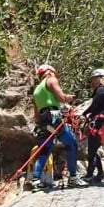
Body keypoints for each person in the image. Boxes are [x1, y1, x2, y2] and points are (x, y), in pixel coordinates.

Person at [30, 63, 77, 191]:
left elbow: (35, 115)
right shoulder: (51, 79)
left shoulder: (36, 91)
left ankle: (35, 179)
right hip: (54, 116)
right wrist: (72, 98)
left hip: (43, 121)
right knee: (71, 143)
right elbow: (61, 98)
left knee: (45, 149)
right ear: (50, 71)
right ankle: (73, 178)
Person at [82, 68, 104, 185]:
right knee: (94, 149)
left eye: (94, 79)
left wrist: (85, 113)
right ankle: (100, 173)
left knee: (92, 149)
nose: (92, 82)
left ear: (100, 78)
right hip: (102, 123)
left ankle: (90, 175)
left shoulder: (102, 90)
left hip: (99, 123)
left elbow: (95, 105)